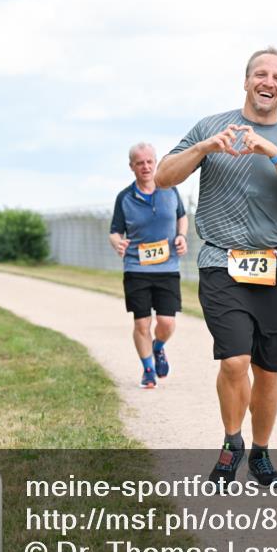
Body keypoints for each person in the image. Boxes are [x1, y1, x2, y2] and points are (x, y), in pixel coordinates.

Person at [156, 47, 277, 487]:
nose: (269, 82)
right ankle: (233, 443)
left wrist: (273, 153)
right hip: (221, 261)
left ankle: (262, 452)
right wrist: (205, 147)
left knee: (268, 370)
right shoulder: (211, 126)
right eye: (260, 74)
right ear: (246, 81)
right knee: (234, 360)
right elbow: (164, 176)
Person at [109, 142, 189, 389]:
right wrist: (118, 244)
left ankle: (158, 347)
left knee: (166, 323)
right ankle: (147, 370)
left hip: (167, 268)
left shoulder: (171, 190)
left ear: (155, 163)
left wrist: (182, 236)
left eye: (149, 161)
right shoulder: (124, 197)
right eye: (139, 163)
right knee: (142, 323)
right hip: (136, 268)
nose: (145, 167)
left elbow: (181, 217)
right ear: (132, 166)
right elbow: (114, 231)